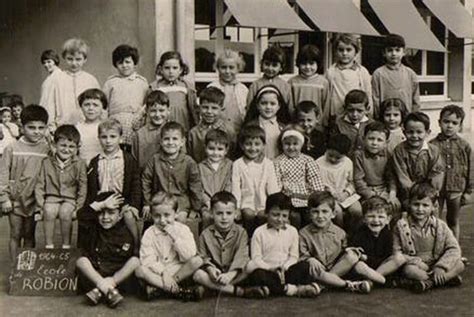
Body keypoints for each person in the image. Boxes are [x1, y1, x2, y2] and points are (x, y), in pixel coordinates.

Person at [77, 119, 141, 253]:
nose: (108, 141)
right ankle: (88, 250)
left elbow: (135, 184)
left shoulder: (128, 159)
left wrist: (134, 205)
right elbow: (91, 187)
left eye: (113, 137)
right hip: (101, 200)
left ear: (120, 138)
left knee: (128, 216)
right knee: (87, 218)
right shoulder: (95, 161)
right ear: (98, 138)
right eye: (104, 137)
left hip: (120, 201)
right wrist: (95, 203)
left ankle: (136, 245)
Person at [245, 192, 322, 298]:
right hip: (268, 271)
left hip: (287, 271)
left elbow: (294, 256)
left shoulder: (292, 231)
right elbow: (256, 258)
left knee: (305, 266)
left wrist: (285, 267)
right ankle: (293, 290)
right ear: (266, 213)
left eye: (284, 216)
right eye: (275, 215)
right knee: (257, 274)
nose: (280, 219)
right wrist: (271, 268)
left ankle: (274, 289)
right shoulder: (259, 232)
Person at [393, 183, 464, 293]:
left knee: (460, 264)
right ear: (408, 204)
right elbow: (397, 252)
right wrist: (414, 261)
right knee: (409, 270)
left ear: (434, 206)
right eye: (416, 204)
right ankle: (443, 279)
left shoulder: (440, 225)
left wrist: (441, 266)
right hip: (417, 265)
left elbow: (454, 248)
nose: (420, 209)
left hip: (436, 263)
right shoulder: (401, 226)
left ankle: (429, 282)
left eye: (425, 205)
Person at [299, 191, 375, 293]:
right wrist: (310, 259)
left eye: (325, 211)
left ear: (333, 214)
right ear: (309, 214)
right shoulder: (303, 233)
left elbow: (343, 252)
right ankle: (348, 285)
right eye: (315, 212)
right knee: (309, 268)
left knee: (352, 256)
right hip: (318, 271)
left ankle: (323, 286)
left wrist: (348, 250)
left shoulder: (340, 233)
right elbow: (301, 254)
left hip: (336, 268)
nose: (320, 216)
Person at [0, 105, 50, 260]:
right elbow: (2, 173)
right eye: (31, 127)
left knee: (29, 234)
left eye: (41, 128)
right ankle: (15, 271)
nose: (37, 131)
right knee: (15, 234)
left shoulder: (46, 149)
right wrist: (4, 198)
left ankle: (25, 271)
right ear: (22, 126)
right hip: (14, 200)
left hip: (34, 200)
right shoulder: (12, 148)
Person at [135, 192, 204, 301]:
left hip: (179, 271)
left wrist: (176, 238)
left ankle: (159, 290)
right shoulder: (149, 233)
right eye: (157, 216)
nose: (162, 220)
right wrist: (164, 273)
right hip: (158, 272)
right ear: (152, 215)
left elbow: (189, 256)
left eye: (167, 215)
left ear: (176, 214)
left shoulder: (183, 229)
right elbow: (147, 260)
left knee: (197, 261)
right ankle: (181, 292)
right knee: (140, 270)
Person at [76, 191, 140, 308]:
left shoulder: (125, 234)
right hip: (95, 275)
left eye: (111, 213)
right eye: (101, 213)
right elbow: (80, 215)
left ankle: (102, 288)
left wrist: (111, 279)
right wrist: (102, 204)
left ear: (120, 216)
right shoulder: (92, 228)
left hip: (117, 277)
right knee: (82, 261)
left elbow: (124, 261)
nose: (105, 217)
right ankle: (107, 289)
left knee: (135, 261)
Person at [194, 191, 258, 297]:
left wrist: (230, 274)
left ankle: (213, 289)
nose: (224, 217)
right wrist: (211, 269)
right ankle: (236, 291)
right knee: (198, 275)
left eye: (229, 213)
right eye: (219, 213)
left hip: (235, 275)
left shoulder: (241, 232)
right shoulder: (205, 234)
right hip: (215, 275)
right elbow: (203, 256)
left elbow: (241, 256)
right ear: (211, 213)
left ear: (236, 214)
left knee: (252, 265)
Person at [35, 125, 87, 249]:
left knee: (65, 212)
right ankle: (49, 245)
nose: (67, 150)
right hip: (51, 197)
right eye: (63, 145)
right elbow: (40, 185)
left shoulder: (79, 163)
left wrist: (79, 207)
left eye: (71, 147)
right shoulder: (47, 162)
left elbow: (83, 186)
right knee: (49, 210)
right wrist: (40, 205)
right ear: (54, 145)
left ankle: (66, 245)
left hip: (69, 198)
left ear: (77, 148)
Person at [142, 121, 204, 224]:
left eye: (175, 139)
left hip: (180, 202)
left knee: (179, 220)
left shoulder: (189, 162)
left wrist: (195, 208)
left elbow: (195, 185)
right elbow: (146, 181)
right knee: (157, 220)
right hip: (159, 200)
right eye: (166, 139)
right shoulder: (154, 160)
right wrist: (147, 203)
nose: (170, 142)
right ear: (161, 142)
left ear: (182, 142)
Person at [430, 105, 472, 241]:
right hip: (436, 190)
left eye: (454, 123)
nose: (449, 126)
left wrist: (469, 191)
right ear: (439, 122)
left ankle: (455, 251)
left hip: (456, 189)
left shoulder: (464, 145)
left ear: (460, 125)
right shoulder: (432, 144)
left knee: (453, 220)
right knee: (435, 220)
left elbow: (471, 168)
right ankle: (435, 250)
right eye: (446, 121)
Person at [39, 38, 100, 130]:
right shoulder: (56, 79)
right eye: (70, 59)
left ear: (85, 59)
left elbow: (100, 105)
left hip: (88, 127)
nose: (74, 63)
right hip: (62, 128)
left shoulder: (91, 80)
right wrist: (51, 128)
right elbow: (48, 105)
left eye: (78, 59)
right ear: (64, 58)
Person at [232, 125, 280, 237]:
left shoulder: (268, 164)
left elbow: (273, 187)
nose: (253, 148)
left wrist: (275, 205)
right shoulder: (238, 164)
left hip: (264, 202)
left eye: (257, 144)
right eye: (248, 144)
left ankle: (262, 238)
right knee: (248, 214)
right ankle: (249, 238)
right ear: (242, 145)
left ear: (263, 146)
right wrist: (237, 207)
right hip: (246, 202)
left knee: (263, 215)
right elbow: (236, 187)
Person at [391, 112, 445, 208]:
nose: (415, 136)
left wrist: (430, 193)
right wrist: (413, 195)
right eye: (410, 132)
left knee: (432, 211)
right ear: (404, 132)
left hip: (429, 195)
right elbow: (402, 176)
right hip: (407, 195)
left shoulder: (433, 151)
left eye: (419, 132)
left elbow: (437, 174)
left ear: (427, 132)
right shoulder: (399, 151)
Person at [274, 125, 324, 229]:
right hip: (288, 199)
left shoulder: (307, 160)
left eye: (295, 144)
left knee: (309, 216)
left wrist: (317, 196)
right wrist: (281, 197)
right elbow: (277, 182)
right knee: (294, 217)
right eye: (287, 144)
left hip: (306, 198)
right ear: (282, 144)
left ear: (301, 144)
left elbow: (315, 179)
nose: (291, 147)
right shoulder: (278, 161)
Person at [350, 196, 407, 286]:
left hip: (382, 267)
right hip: (365, 268)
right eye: (371, 216)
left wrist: (367, 258)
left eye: (381, 217)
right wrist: (364, 258)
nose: (376, 220)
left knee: (399, 258)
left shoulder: (388, 234)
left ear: (388, 219)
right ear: (364, 219)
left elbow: (386, 257)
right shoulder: (359, 234)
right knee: (359, 266)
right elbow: (357, 257)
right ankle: (384, 282)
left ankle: (371, 281)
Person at [103, 45, 149, 150]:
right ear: (115, 65)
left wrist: (140, 117)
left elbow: (146, 104)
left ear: (134, 63)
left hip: (135, 122)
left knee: (134, 150)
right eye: (120, 63)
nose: (124, 65)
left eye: (128, 62)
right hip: (115, 122)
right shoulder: (110, 82)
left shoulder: (142, 82)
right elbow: (104, 105)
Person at [324, 33, 372, 127]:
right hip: (337, 116)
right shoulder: (331, 72)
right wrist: (326, 118)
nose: (344, 53)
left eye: (348, 50)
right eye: (341, 50)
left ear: (356, 51)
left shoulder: (362, 71)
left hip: (358, 115)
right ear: (335, 51)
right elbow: (327, 97)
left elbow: (368, 94)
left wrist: (369, 114)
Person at [316, 134, 362, 231]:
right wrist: (328, 193)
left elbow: (352, 182)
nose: (333, 159)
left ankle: (354, 232)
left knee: (357, 210)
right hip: (327, 196)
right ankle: (339, 232)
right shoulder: (318, 163)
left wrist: (346, 193)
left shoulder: (348, 163)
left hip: (344, 194)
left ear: (345, 154)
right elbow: (316, 184)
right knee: (337, 212)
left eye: (338, 158)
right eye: (330, 155)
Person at [353, 121, 400, 212]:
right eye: (371, 138)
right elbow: (358, 180)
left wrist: (392, 193)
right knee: (373, 207)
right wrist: (373, 194)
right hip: (366, 191)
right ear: (363, 139)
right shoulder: (358, 155)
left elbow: (391, 177)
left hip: (383, 189)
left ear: (386, 142)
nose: (374, 143)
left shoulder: (388, 154)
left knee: (395, 205)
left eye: (379, 140)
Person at [372, 34, 420, 118]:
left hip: (406, 119)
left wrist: (413, 118)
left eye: (397, 50)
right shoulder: (378, 74)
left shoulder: (410, 74)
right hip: (385, 118)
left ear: (404, 52)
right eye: (390, 50)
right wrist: (378, 118)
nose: (393, 53)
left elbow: (415, 100)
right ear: (384, 53)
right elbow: (375, 99)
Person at [149, 51, 197, 132]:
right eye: (167, 68)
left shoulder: (186, 87)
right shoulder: (155, 87)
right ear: (161, 69)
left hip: (183, 126)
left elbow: (193, 110)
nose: (171, 71)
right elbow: (149, 110)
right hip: (160, 129)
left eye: (175, 68)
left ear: (181, 69)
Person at [187, 86, 235, 163]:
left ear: (222, 109)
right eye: (205, 107)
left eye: (214, 108)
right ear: (199, 108)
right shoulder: (194, 133)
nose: (209, 111)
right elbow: (190, 158)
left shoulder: (228, 130)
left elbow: (233, 154)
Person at [244, 85, 290, 159]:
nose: (268, 107)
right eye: (264, 103)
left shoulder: (283, 128)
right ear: (257, 105)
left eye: (272, 103)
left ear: (279, 106)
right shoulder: (250, 126)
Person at [208, 49, 249, 133]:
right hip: (217, 132)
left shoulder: (243, 89)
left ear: (238, 68)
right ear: (217, 68)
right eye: (223, 67)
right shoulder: (212, 87)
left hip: (240, 131)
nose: (227, 71)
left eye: (231, 68)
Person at [198, 129, 233, 228]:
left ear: (226, 150)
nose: (215, 153)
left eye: (220, 149)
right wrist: (208, 201)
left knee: (227, 216)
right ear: (205, 148)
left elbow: (229, 184)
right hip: (207, 204)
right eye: (211, 148)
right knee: (207, 216)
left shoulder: (230, 165)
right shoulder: (200, 167)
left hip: (225, 202)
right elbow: (199, 188)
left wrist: (221, 202)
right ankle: (207, 240)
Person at [246, 46, 293, 115]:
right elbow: (250, 108)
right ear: (262, 64)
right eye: (267, 64)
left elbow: (289, 108)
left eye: (274, 65)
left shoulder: (285, 86)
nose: (270, 68)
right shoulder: (255, 85)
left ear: (281, 67)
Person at [131, 90, 170, 170]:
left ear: (168, 110)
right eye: (153, 111)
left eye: (161, 110)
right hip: (145, 178)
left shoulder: (173, 131)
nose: (157, 115)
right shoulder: (139, 135)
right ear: (146, 111)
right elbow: (134, 162)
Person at [329, 89, 373, 156]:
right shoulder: (338, 124)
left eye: (359, 111)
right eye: (351, 110)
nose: (355, 114)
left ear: (367, 109)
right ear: (345, 108)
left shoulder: (372, 124)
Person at [288, 44, 328, 116]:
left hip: (318, 123)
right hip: (297, 122)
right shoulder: (292, 82)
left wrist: (322, 122)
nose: (307, 67)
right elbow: (290, 105)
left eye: (311, 63)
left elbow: (326, 106)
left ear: (318, 64)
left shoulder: (323, 83)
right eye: (304, 63)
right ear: (298, 63)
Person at [76, 88, 108, 165]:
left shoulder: (106, 128)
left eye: (95, 105)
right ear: (81, 107)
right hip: (82, 168)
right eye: (87, 105)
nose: (91, 108)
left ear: (103, 108)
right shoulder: (77, 128)